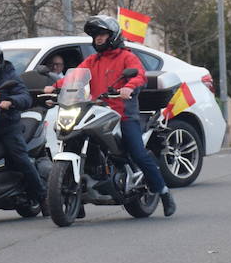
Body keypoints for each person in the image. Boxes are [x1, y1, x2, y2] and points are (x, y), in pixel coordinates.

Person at [75, 15, 176, 217]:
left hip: (124, 115)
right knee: (77, 141)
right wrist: (55, 86)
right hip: (98, 112)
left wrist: (128, 87)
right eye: (95, 36)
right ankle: (75, 199)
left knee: (138, 153)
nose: (98, 39)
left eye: (102, 35)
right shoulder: (92, 60)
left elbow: (139, 76)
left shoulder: (126, 56)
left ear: (112, 36)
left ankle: (164, 193)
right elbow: (76, 75)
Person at [0, 41, 45, 213]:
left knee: (20, 158)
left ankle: (43, 197)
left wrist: (12, 101)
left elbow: (25, 96)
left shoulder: (9, 75)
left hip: (7, 125)